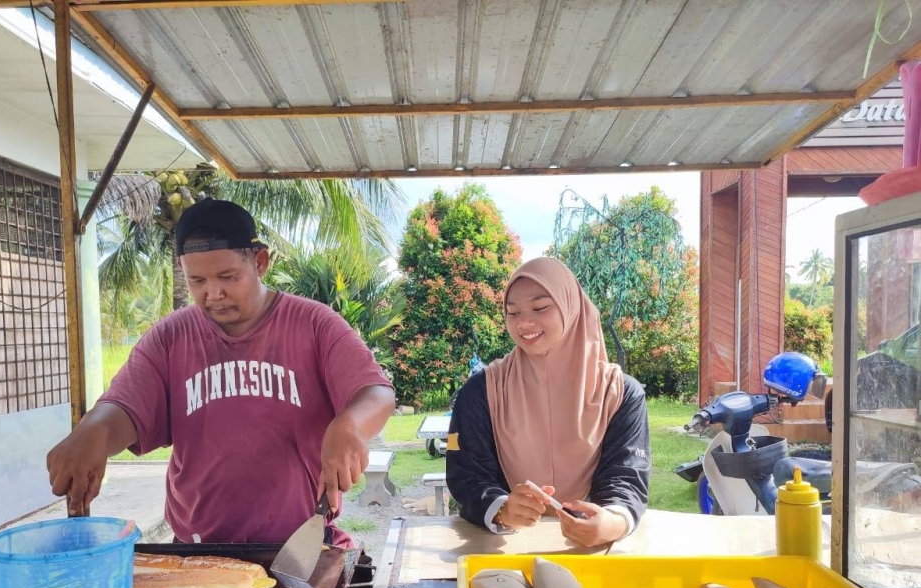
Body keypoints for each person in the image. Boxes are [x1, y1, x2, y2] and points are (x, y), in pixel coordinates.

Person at [46, 198, 396, 547]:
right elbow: (126, 408)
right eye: (196, 280)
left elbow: (376, 393)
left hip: (301, 547)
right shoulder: (171, 336)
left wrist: (349, 424)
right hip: (197, 550)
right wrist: (94, 430)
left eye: (228, 277)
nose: (213, 293)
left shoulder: (314, 324)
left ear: (260, 262)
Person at [446, 257, 650, 547]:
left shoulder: (619, 393)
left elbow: (626, 474)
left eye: (540, 308)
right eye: (512, 312)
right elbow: (466, 473)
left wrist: (613, 521)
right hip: (503, 550)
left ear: (570, 307)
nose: (524, 323)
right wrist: (502, 508)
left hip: (591, 552)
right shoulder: (482, 391)